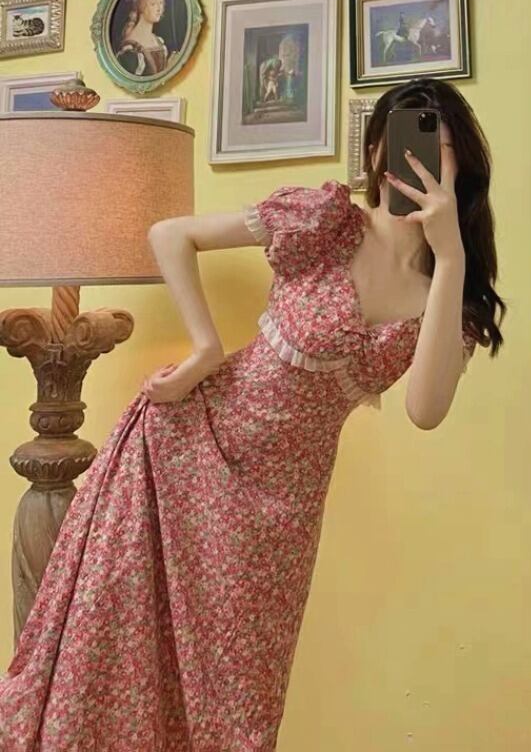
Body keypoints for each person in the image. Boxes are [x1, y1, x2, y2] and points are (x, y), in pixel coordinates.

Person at [0, 76, 505, 749]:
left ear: (461, 165)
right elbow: (170, 234)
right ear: (377, 151)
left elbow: (426, 410)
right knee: (115, 643)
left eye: (436, 150)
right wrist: (204, 350)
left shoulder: (450, 294)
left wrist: (450, 256)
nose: (417, 163)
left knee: (241, 697)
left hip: (283, 508)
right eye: (404, 143)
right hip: (188, 448)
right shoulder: (324, 222)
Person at [115, 0, 177, 77]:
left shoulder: (158, 41)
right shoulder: (130, 48)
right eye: (153, 4)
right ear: (141, 6)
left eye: (161, 3)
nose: (159, 9)